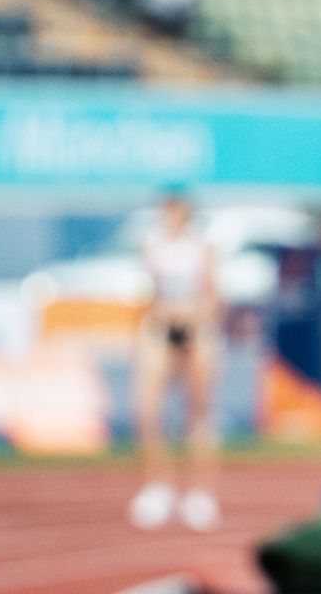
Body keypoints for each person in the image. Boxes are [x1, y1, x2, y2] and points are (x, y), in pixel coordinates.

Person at [128, 189, 222, 531]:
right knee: (148, 410)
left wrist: (195, 320)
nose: (170, 214)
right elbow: (149, 293)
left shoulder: (202, 246)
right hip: (162, 326)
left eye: (176, 208)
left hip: (196, 328)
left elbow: (213, 294)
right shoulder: (153, 245)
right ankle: (157, 487)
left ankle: (200, 492)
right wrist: (159, 319)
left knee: (198, 413)